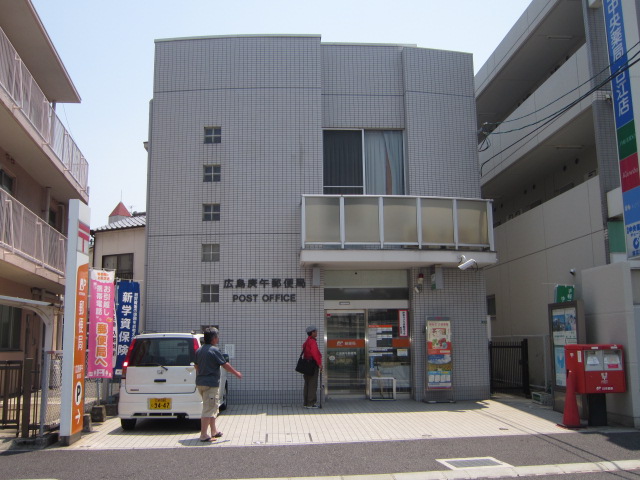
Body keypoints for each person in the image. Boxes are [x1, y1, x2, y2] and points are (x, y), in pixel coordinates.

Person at [195, 327, 242, 442]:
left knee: (212, 407)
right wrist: (236, 373)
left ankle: (214, 431)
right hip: (210, 384)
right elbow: (225, 364)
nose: (218, 338)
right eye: (217, 336)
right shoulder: (214, 350)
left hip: (200, 383)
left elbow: (196, 366)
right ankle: (204, 435)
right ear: (213, 338)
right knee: (208, 408)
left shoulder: (199, 351)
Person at [302, 325, 322, 408]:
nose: (317, 332)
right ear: (312, 333)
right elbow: (315, 354)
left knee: (307, 383)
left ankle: (306, 403)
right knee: (312, 384)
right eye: (315, 331)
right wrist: (319, 364)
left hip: (306, 364)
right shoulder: (312, 342)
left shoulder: (306, 341)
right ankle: (311, 403)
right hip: (312, 365)